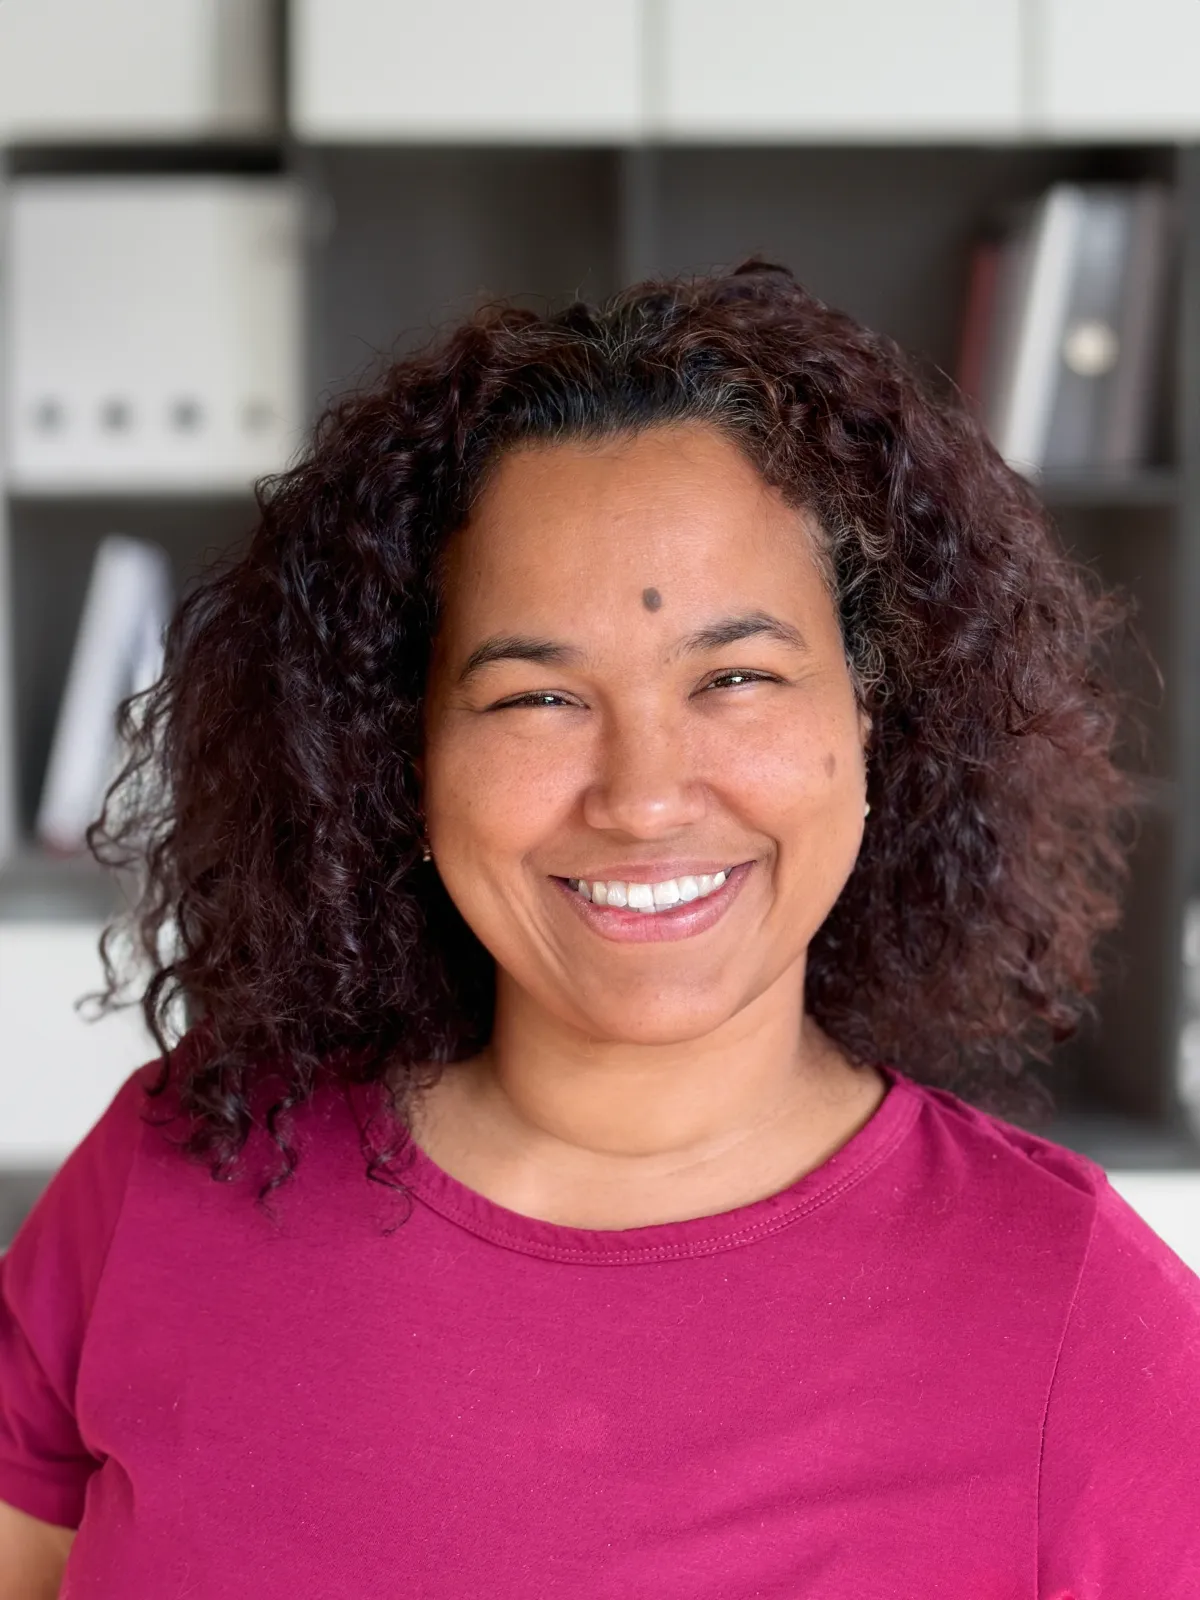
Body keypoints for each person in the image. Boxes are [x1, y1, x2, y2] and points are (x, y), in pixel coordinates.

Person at [2, 259, 1199, 1598]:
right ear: (404, 752)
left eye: (735, 677)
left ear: (875, 715)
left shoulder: (1088, 1323)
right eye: (535, 699)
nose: (641, 796)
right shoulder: (165, 1184)